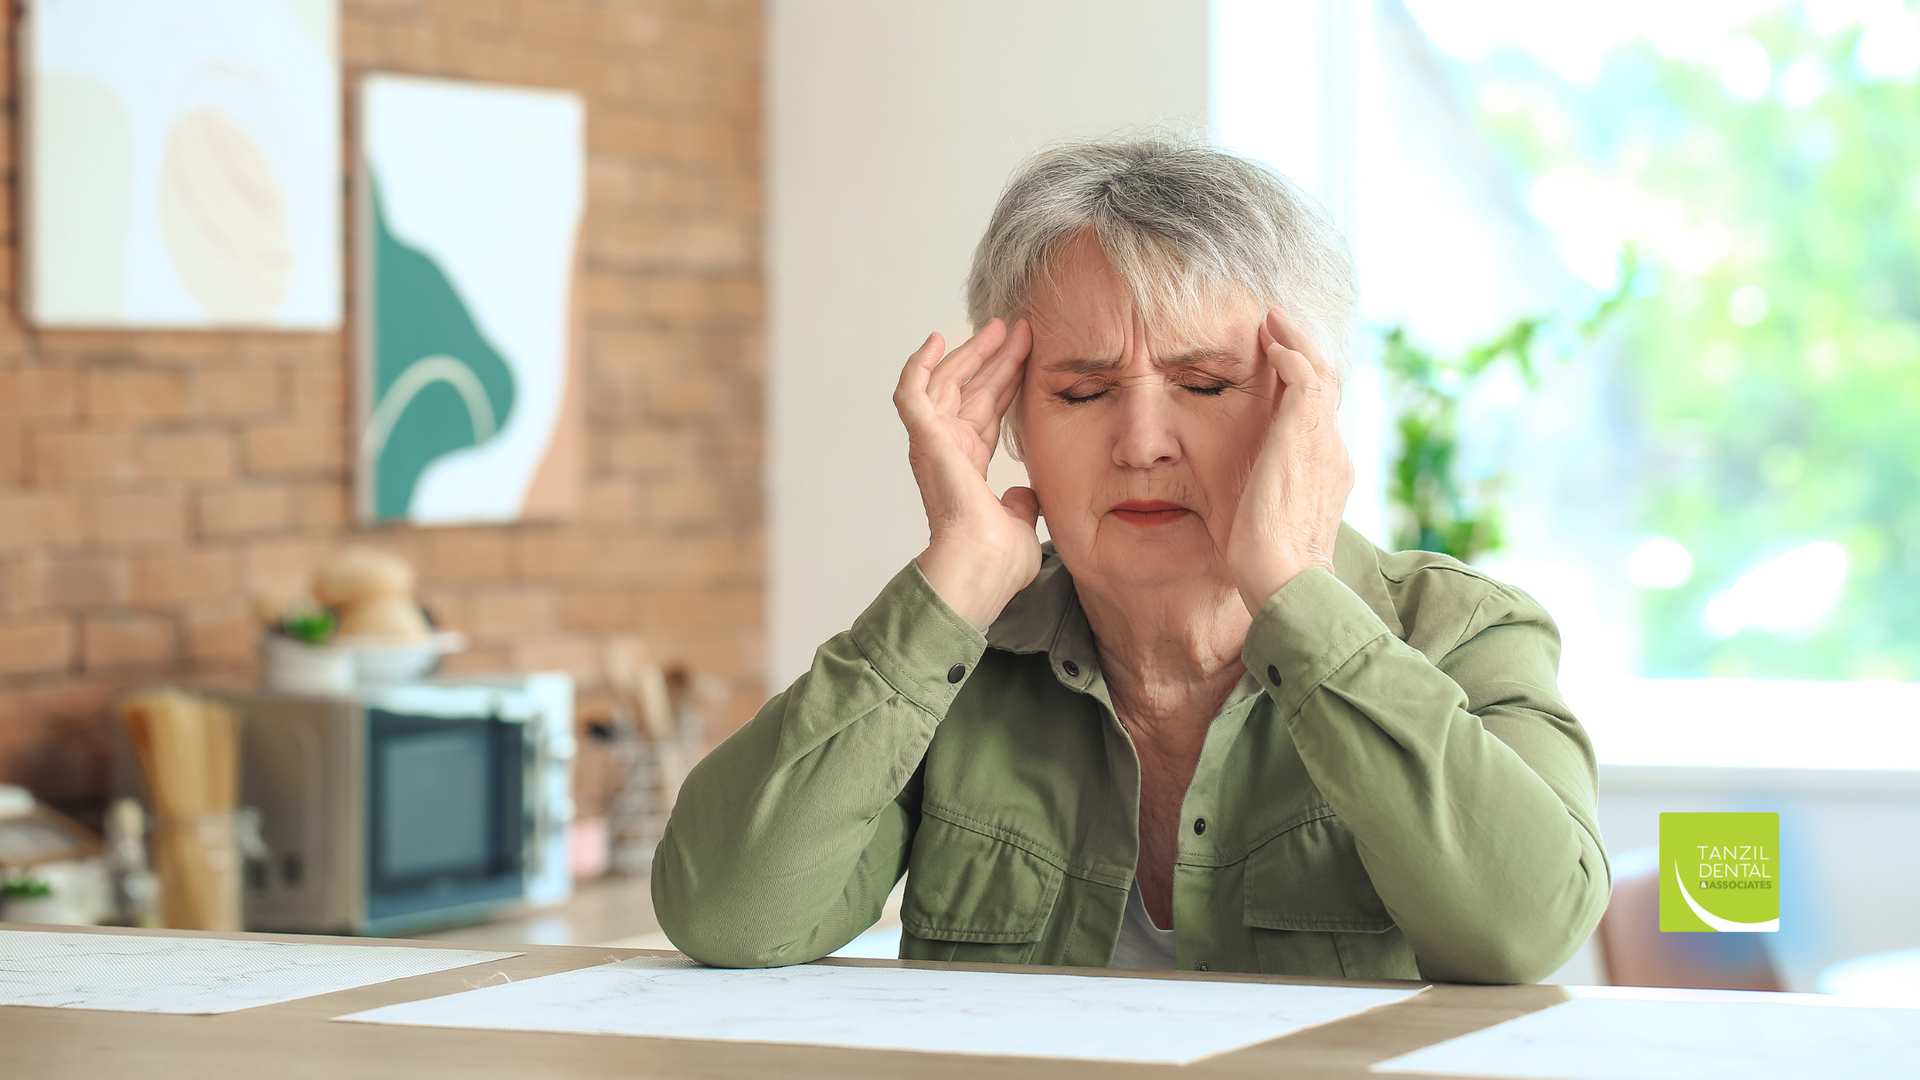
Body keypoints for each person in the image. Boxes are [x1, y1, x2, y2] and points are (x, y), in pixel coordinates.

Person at [652, 134, 1609, 983]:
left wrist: (1293, 591)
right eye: (1081, 394)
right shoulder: (955, 661)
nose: (1144, 441)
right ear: (1008, 420)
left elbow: (1523, 937)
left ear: (1300, 407)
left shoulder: (1466, 633)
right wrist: (953, 580)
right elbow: (729, 914)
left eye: (1204, 382)